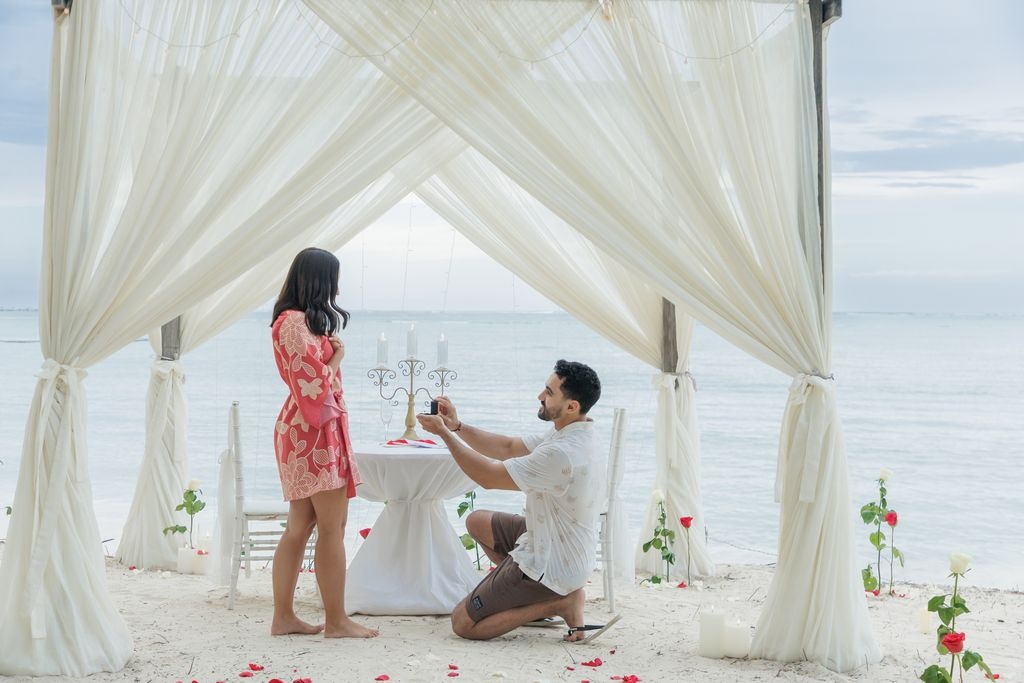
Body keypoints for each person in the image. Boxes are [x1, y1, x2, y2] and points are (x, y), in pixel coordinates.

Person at [416, 360, 606, 642]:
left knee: (463, 623)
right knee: (477, 521)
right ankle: (529, 594)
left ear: (571, 406)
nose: (540, 396)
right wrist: (456, 426)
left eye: (549, 392)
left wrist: (443, 434)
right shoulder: (575, 430)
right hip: (556, 542)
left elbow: (488, 477)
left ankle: (559, 603)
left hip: (551, 564)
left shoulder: (561, 454)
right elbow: (508, 447)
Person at [268, 247, 378, 639]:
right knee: (332, 526)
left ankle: (285, 618)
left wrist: (330, 354)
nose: (337, 288)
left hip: (307, 430)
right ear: (318, 280)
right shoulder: (294, 323)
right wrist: (336, 359)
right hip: (312, 433)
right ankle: (336, 621)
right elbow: (312, 384)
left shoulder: (293, 321)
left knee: (301, 525)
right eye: (334, 279)